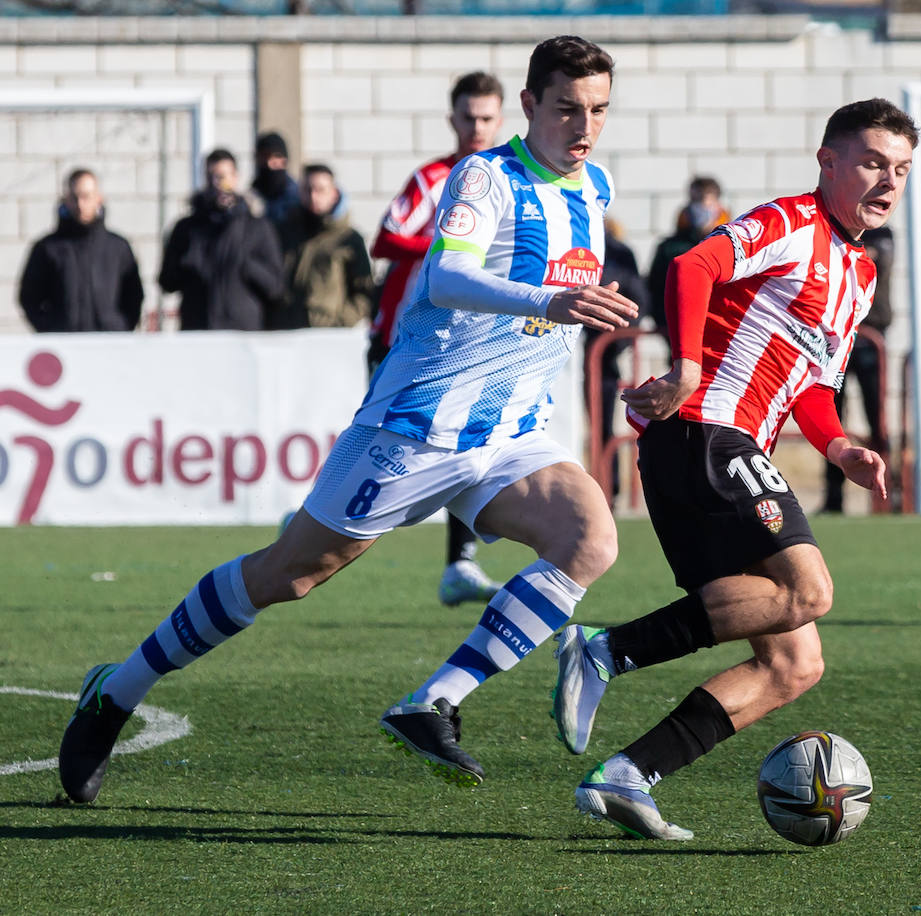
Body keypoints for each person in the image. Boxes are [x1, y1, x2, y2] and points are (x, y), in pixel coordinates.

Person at [58, 35, 636, 804]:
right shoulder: (485, 175)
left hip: (508, 434)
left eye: (598, 110)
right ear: (529, 106)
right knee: (287, 576)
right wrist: (545, 301)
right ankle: (117, 691)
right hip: (413, 425)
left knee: (590, 539)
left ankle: (434, 701)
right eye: (567, 107)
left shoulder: (594, 189)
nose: (584, 125)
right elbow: (449, 271)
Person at [550, 98, 919, 841]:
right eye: (874, 162)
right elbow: (695, 264)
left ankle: (629, 775)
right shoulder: (790, 223)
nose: (888, 181)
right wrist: (687, 368)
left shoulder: (861, 272)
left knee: (794, 662)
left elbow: (814, 384)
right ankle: (602, 651)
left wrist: (840, 446)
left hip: (720, 447)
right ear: (829, 162)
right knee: (809, 590)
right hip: (705, 433)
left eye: (902, 170)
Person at [367, 70, 507, 606]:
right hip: (402, 335)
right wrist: (450, 246)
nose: (476, 127)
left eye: (486, 118)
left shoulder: (508, 179)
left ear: (501, 119)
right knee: (382, 445)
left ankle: (460, 562)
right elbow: (385, 237)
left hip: (465, 340)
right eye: (468, 117)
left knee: (464, 441)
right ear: (452, 119)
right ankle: (312, 518)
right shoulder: (433, 178)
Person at [159, 149, 285, 331]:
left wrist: (247, 265)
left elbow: (276, 287)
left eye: (222, 177)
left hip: (242, 334)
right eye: (211, 177)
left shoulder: (257, 228)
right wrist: (187, 264)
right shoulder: (187, 228)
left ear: (235, 178)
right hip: (199, 331)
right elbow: (167, 282)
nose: (217, 184)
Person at [821, 224, 893, 514]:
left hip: (869, 341)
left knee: (878, 422)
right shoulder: (829, 231)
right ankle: (834, 499)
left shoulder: (882, 234)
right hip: (836, 340)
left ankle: (885, 496)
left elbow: (879, 259)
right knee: (832, 422)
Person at [18, 168, 144, 333]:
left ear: (98, 198)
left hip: (110, 345)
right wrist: (50, 328)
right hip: (65, 346)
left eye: (86, 196)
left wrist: (119, 326)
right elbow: (29, 297)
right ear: (65, 200)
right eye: (74, 197)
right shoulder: (47, 248)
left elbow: (133, 296)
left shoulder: (118, 247)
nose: (80, 204)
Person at [585, 218, 648, 504]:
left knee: (607, 423)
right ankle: (601, 486)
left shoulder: (618, 253)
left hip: (604, 352)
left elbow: (638, 300)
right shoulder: (573, 248)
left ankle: (610, 488)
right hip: (585, 349)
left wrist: (618, 341)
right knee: (595, 423)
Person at [271, 164, 374, 330]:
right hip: (287, 333)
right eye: (308, 189)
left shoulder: (349, 239)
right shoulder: (285, 232)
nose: (313, 196)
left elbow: (365, 292)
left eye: (320, 190)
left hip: (329, 335)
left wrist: (342, 321)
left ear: (334, 194)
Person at [645, 176, 729, 354]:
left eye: (706, 200)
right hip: (681, 336)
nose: (701, 208)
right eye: (695, 200)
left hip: (722, 337)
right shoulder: (670, 248)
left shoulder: (731, 245)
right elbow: (655, 288)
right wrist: (667, 326)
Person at [253, 131, 301, 226]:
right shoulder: (249, 198)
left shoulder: (298, 198)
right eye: (265, 156)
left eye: (277, 156)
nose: (270, 163)